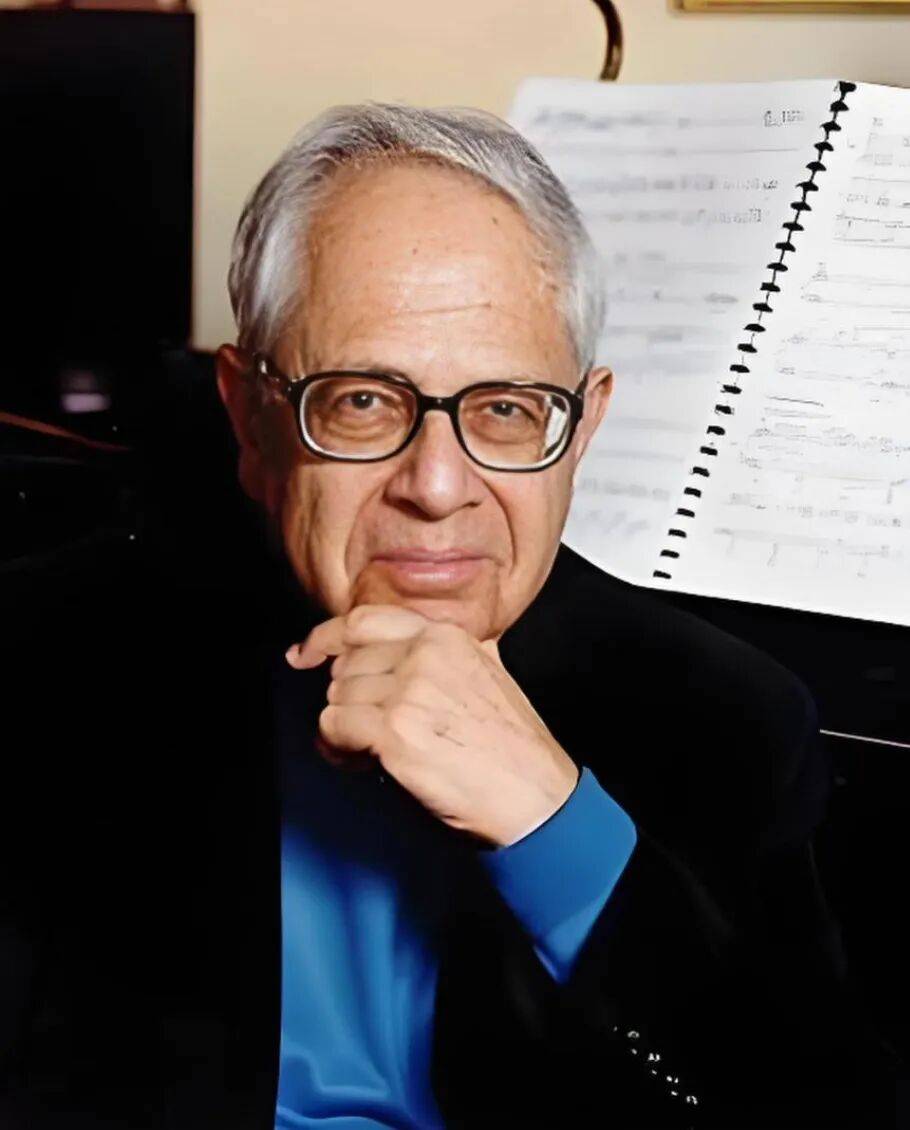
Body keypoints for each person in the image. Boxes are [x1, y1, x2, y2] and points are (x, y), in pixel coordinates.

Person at [1, 102, 905, 1130]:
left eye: (506, 409)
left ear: (582, 427)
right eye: (361, 401)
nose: (436, 487)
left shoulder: (728, 718)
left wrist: (555, 826)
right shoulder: (37, 659)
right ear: (251, 418)